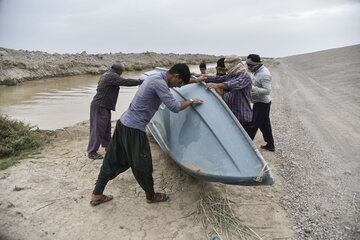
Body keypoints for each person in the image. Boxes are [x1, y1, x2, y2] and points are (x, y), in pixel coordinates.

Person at [90, 63, 204, 206]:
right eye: (179, 82)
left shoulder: (156, 77)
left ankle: (97, 194)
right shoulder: (160, 83)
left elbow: (172, 86)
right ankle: (151, 196)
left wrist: (195, 81)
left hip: (123, 123)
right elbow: (174, 107)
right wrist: (192, 101)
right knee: (143, 165)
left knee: (111, 159)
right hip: (134, 129)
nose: (177, 86)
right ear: (176, 75)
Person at [87, 61, 143, 160]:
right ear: (118, 70)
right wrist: (140, 81)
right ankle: (91, 152)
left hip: (104, 106)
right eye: (121, 71)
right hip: (100, 106)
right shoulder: (111, 76)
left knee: (106, 128)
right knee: (98, 130)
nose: (121, 73)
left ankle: (108, 146)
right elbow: (125, 82)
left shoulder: (107, 74)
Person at [198, 55, 253, 136]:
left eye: (227, 66)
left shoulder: (244, 76)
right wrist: (200, 77)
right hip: (232, 117)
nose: (226, 69)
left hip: (242, 118)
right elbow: (217, 79)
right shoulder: (231, 75)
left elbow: (231, 85)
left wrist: (216, 85)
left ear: (234, 65)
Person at [246, 54, 275, 151]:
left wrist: (253, 89)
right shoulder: (257, 71)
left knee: (253, 125)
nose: (248, 66)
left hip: (262, 103)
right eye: (247, 64)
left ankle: (246, 146)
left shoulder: (264, 74)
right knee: (265, 125)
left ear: (256, 64)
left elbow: (267, 90)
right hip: (260, 102)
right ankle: (270, 145)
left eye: (250, 64)